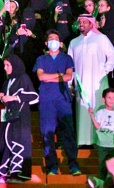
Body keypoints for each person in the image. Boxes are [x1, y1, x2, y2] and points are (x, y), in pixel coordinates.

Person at [0, 55, 38, 183]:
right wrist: (2, 96)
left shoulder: (23, 78)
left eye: (8, 65)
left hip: (20, 118)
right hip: (8, 117)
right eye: (4, 65)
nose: (5, 68)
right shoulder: (8, 82)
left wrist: (14, 98)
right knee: (5, 141)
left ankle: (16, 174)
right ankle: (4, 173)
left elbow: (34, 96)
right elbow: (5, 97)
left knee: (18, 143)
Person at [33, 30, 80, 176]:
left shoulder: (66, 58)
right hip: (47, 100)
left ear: (60, 43)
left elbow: (68, 77)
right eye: (50, 39)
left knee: (68, 133)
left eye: (56, 38)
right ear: (46, 43)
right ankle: (52, 165)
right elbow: (41, 76)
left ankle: (73, 163)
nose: (53, 41)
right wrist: (59, 75)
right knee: (47, 133)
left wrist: (51, 77)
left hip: (63, 100)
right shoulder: (41, 59)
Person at [68, 14, 114, 146]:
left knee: (99, 109)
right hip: (81, 82)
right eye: (80, 22)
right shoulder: (74, 42)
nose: (82, 24)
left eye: (85, 22)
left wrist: (106, 70)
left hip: (98, 81)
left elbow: (112, 55)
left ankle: (99, 141)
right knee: (82, 110)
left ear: (91, 24)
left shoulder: (101, 38)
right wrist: (69, 83)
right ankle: (83, 142)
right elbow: (69, 65)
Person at [88, 88, 114, 180]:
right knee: (102, 165)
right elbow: (97, 126)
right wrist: (91, 115)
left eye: (113, 98)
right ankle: (102, 183)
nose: (111, 100)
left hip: (113, 144)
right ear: (103, 99)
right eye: (109, 98)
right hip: (102, 144)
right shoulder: (100, 112)